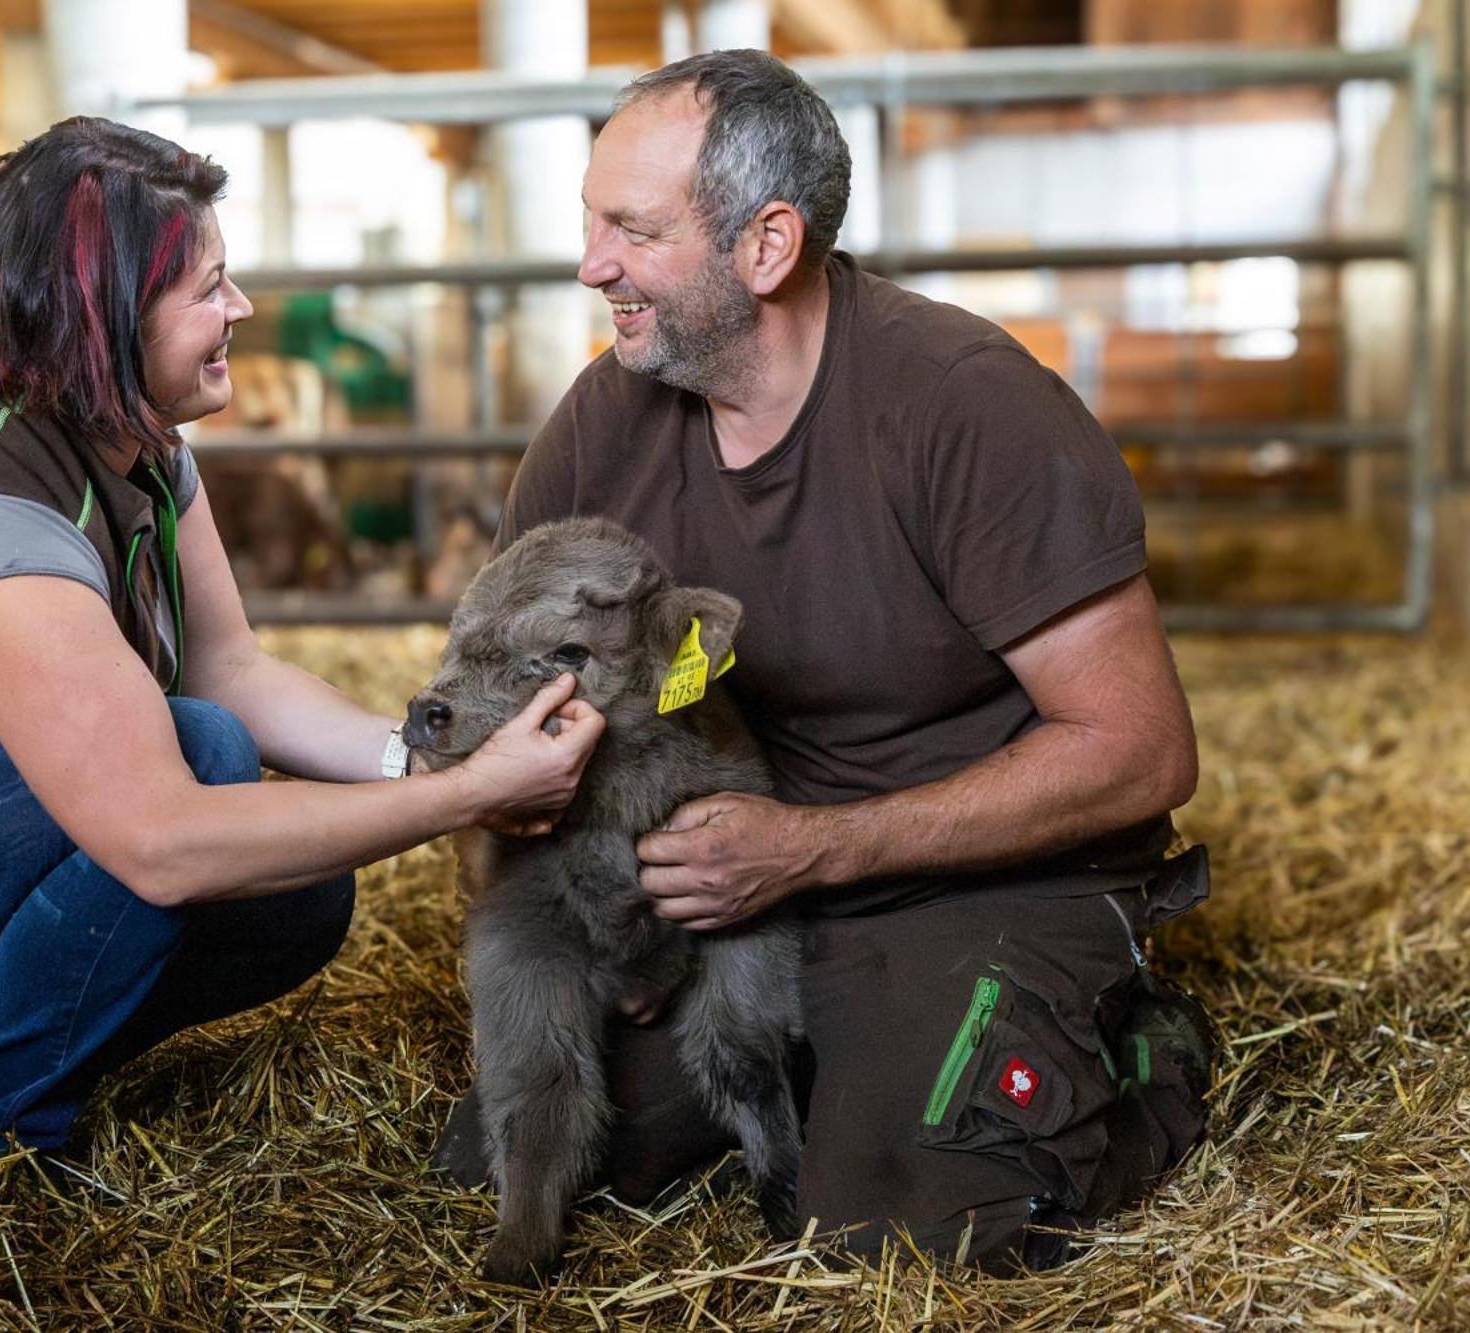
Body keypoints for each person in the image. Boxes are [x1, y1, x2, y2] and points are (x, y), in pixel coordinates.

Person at [0, 117, 605, 1158]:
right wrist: (464, 798)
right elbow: (155, 839)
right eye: (209, 288)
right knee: (198, 759)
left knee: (300, 890)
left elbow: (231, 665)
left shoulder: (139, 448)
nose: (242, 309)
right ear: (104, 321)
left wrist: (419, 762)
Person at [434, 50, 1217, 1271]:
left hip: (971, 875)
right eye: (590, 222)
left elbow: (1140, 751)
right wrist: (589, 917)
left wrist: (819, 847)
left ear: (765, 246)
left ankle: (1136, 1048)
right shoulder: (599, 426)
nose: (591, 265)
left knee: (896, 1222)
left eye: (631, 231)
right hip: (730, 892)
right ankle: (848, 1049)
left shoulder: (966, 408)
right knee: (513, 1158)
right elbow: (503, 705)